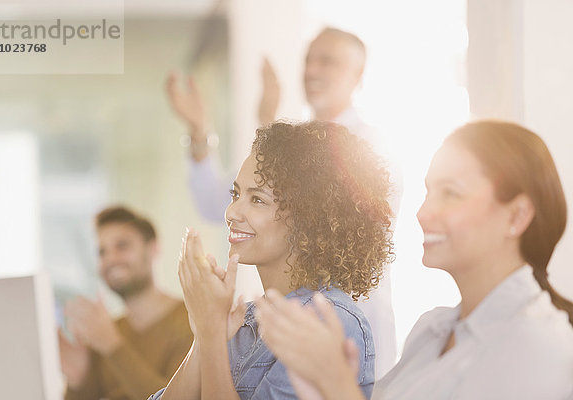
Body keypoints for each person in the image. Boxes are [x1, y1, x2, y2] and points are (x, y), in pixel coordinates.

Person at [254, 120, 573, 400]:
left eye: (451, 193)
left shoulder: (539, 346)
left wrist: (337, 383)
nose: (423, 213)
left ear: (516, 215)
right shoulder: (431, 330)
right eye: (428, 191)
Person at [167, 26, 401, 378]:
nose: (312, 70)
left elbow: (334, 226)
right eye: (308, 59)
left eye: (328, 61)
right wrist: (201, 131)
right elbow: (215, 203)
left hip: (350, 320)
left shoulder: (370, 152)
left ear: (358, 76)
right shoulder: (291, 143)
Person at [147, 120, 394, 400]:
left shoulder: (330, 321)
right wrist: (205, 337)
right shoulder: (241, 321)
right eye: (236, 194)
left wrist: (212, 335)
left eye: (257, 200)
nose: (231, 213)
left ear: (308, 220)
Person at [59, 206, 194, 400]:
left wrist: (113, 346)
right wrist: (77, 379)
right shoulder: (108, 330)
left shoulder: (191, 321)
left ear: (153, 248)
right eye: (102, 252)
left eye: (122, 246)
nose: (110, 259)